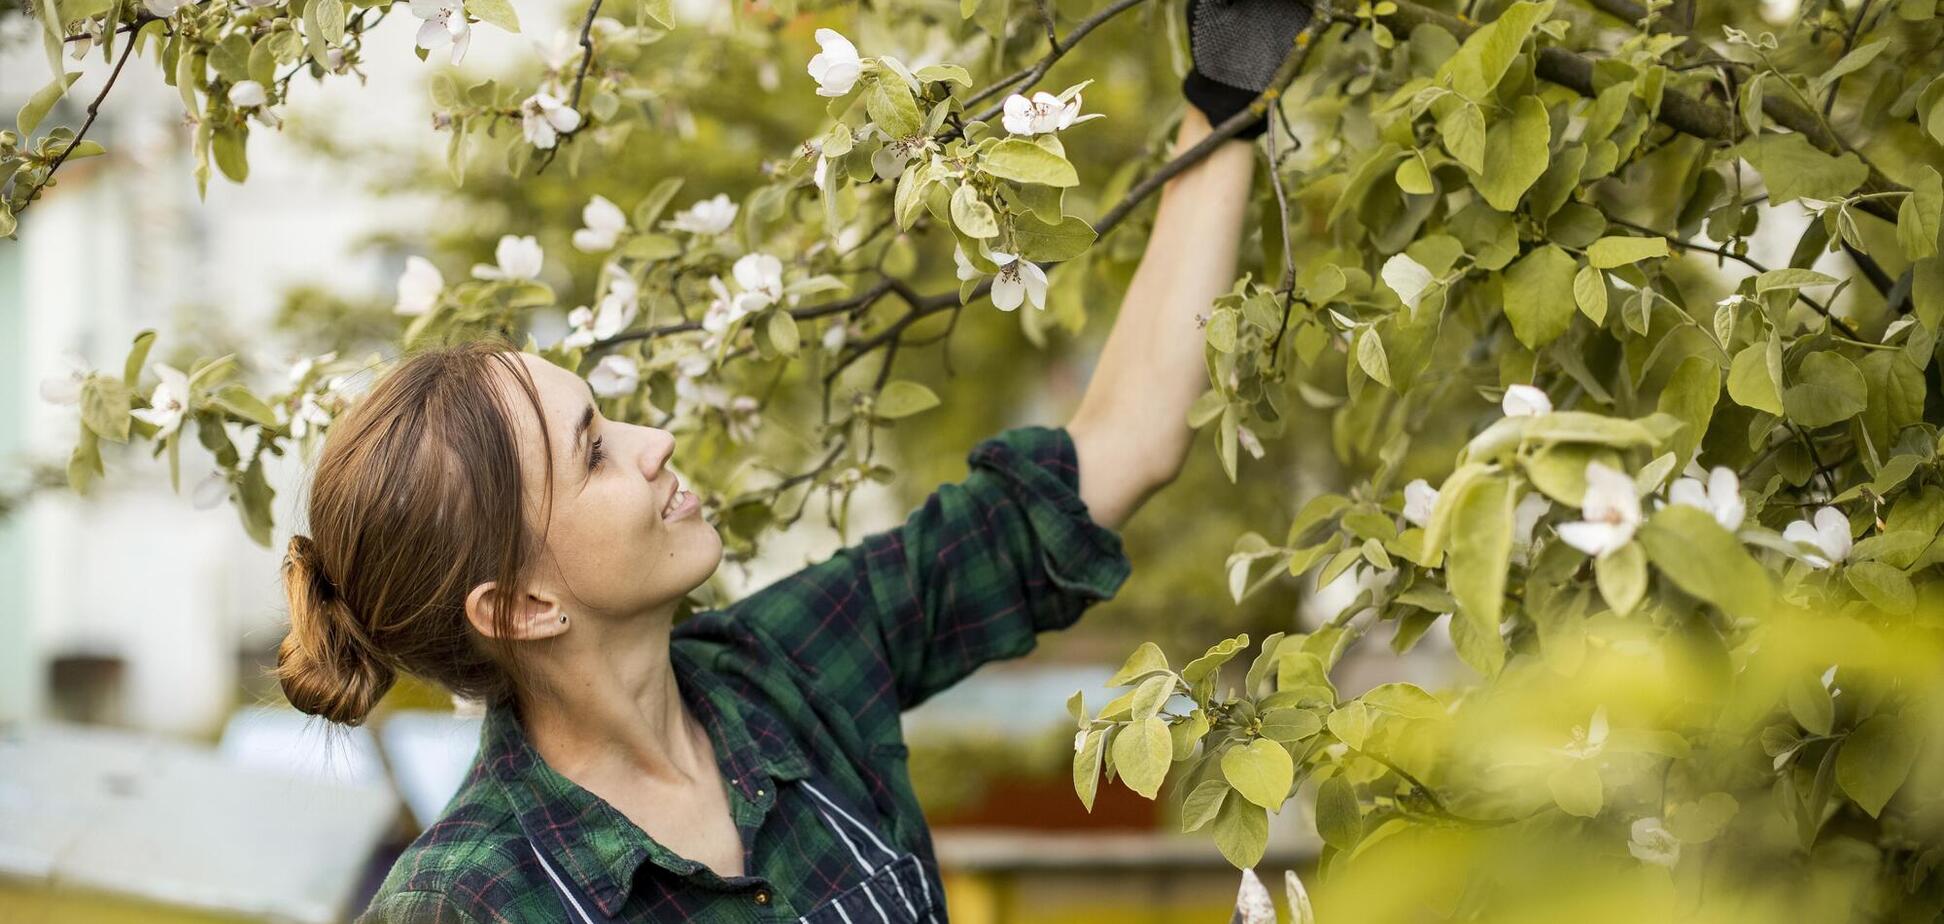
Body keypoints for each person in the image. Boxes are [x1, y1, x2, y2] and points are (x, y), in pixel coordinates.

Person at [285, 2, 1311, 920]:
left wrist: (1226, 91)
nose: (656, 445)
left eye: (610, 419)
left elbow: (1120, 449)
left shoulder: (792, 677)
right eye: (593, 454)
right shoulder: (473, 903)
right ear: (519, 607)